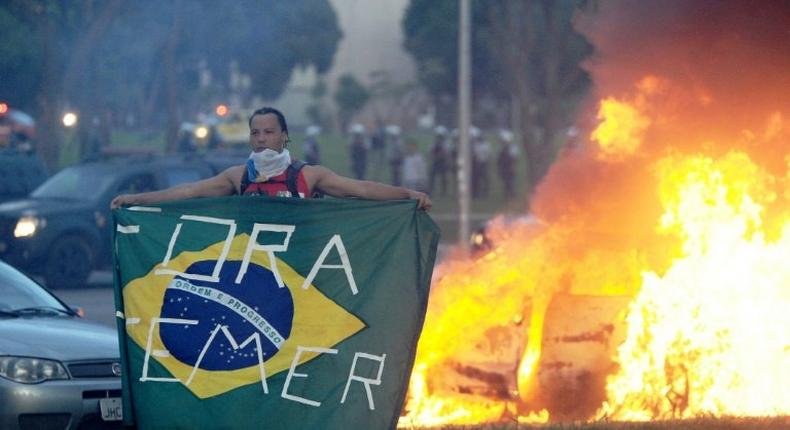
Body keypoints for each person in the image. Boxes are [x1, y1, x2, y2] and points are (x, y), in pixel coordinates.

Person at [111, 107, 431, 209]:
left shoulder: (308, 175)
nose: (261, 139)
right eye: (255, 133)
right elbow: (186, 192)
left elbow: (361, 189)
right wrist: (136, 200)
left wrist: (408, 194)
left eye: (268, 132)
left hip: (300, 274)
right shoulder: (238, 176)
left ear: (284, 136)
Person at [496, 129, 519, 198]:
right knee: (506, 181)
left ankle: (512, 194)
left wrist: (512, 166)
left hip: (509, 166)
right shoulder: (500, 147)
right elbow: (499, 159)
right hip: (503, 167)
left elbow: (514, 158)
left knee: (510, 181)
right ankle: (507, 194)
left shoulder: (512, 148)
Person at [429, 125, 449, 196]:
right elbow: (431, 152)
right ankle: (431, 190)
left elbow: (446, 153)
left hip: (442, 162)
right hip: (436, 162)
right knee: (432, 177)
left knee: (443, 178)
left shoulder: (445, 144)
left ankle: (443, 191)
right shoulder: (434, 143)